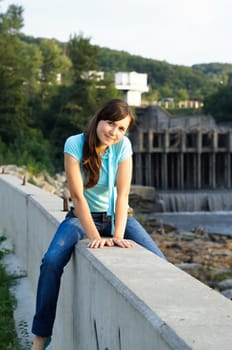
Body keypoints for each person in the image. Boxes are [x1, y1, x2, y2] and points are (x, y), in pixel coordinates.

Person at [31, 99, 166, 350]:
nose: (113, 132)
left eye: (121, 128)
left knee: (161, 263)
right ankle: (40, 336)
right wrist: (96, 236)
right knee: (51, 261)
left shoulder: (123, 147)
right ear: (99, 120)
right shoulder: (75, 144)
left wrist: (116, 234)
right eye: (111, 124)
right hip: (81, 219)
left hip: (117, 218)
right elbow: (78, 196)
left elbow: (123, 195)